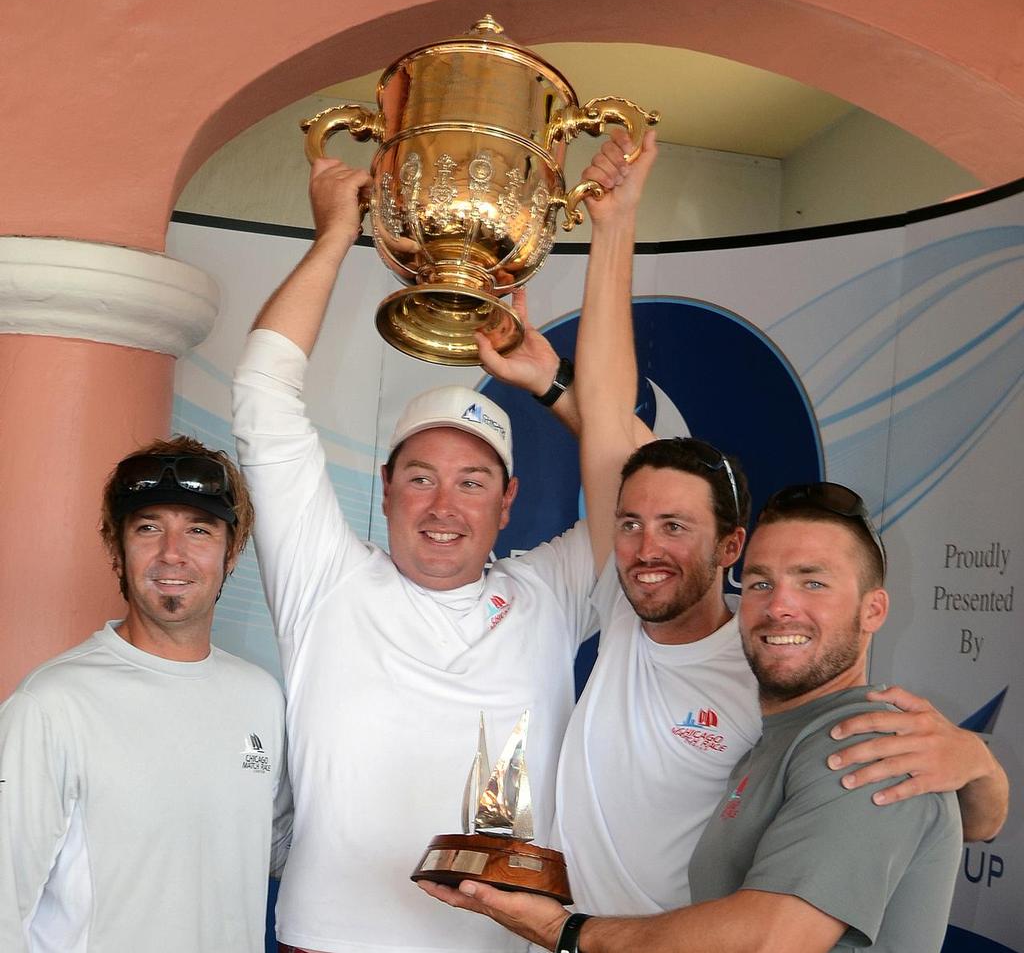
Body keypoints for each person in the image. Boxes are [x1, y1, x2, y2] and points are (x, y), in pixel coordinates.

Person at [476, 128, 1009, 919]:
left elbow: (957, 813)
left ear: (731, 548)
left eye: (676, 528)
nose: (647, 547)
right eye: (630, 523)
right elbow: (617, 412)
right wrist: (614, 229)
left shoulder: (769, 668)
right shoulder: (627, 598)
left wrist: (979, 765)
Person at [231, 160, 606, 953]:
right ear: (387, 487)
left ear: (507, 502)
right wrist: (336, 232)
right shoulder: (327, 578)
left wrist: (552, 385)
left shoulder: (549, 591)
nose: (444, 506)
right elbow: (264, 393)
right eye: (422, 478)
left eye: (472, 482)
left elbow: (656, 497)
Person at [417, 481, 967, 952]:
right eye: (760, 583)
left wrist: (568, 932)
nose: (780, 605)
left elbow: (772, 939)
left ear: (873, 609)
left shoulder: (878, 747)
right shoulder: (780, 737)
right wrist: (985, 777)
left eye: (813, 582)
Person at [0, 436, 291, 952]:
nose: (172, 554)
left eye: (198, 530)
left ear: (232, 551)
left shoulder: (260, 698)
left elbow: (286, 850)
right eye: (149, 528)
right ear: (116, 547)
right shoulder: (50, 704)